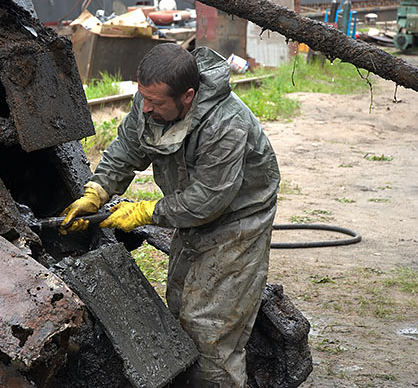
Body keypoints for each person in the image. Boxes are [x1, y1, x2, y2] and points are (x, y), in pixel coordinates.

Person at [60, 43, 280, 387]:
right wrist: (98, 191)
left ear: (188, 96)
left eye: (157, 103)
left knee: (209, 331)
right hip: (189, 216)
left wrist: (146, 211)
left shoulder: (226, 124)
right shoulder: (149, 102)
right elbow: (128, 147)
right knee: (178, 311)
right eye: (143, 98)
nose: (146, 108)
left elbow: (208, 200)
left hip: (237, 221)